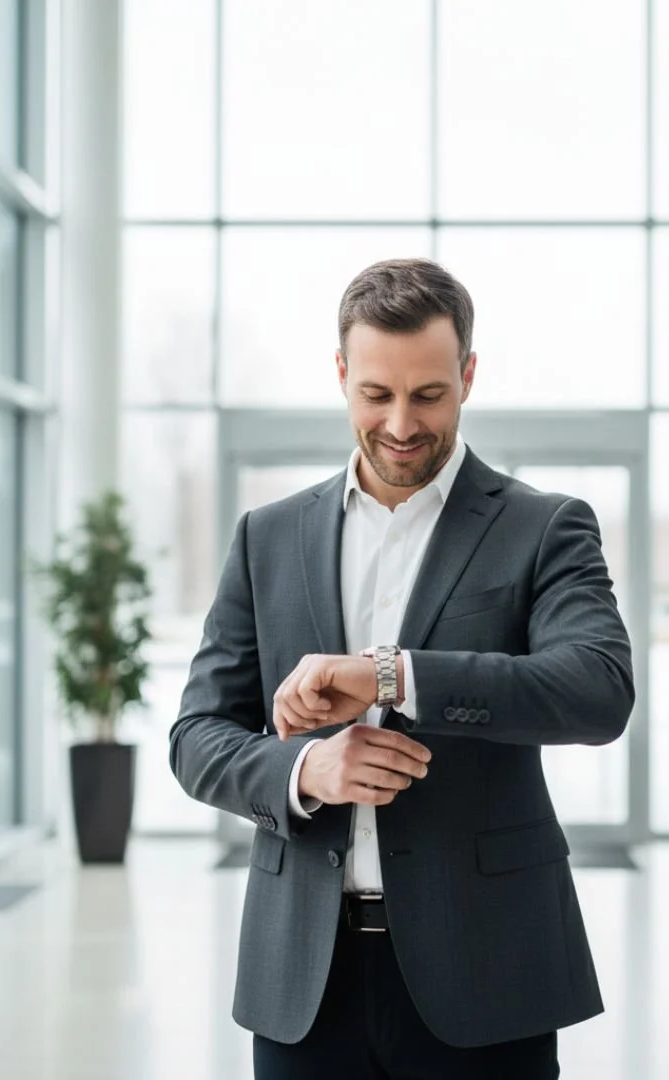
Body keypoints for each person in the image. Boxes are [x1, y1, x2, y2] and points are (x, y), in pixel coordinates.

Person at [170, 257, 634, 1080]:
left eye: (428, 395)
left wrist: (390, 675)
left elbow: (596, 690)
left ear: (468, 375)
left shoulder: (544, 527)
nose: (400, 424)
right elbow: (196, 738)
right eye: (376, 395)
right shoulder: (265, 538)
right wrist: (306, 766)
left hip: (488, 971)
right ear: (343, 375)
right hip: (301, 978)